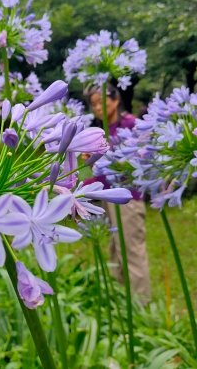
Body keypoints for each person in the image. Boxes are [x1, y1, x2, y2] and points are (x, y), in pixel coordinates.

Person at [85, 84, 151, 303]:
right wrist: (84, 184)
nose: (97, 108)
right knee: (115, 250)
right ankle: (123, 303)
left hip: (129, 199)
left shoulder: (131, 124)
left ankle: (142, 306)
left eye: (101, 101)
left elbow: (144, 157)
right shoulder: (101, 132)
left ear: (115, 100)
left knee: (131, 251)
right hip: (110, 198)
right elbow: (104, 176)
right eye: (93, 104)